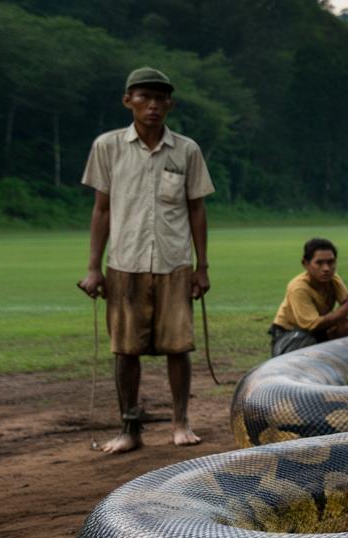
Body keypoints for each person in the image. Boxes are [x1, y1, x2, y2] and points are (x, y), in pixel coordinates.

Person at [77, 67, 215, 454]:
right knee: (125, 349)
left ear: (170, 104)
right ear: (128, 101)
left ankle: (180, 422)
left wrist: (202, 266)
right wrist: (93, 266)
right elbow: (101, 210)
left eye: (160, 98)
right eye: (144, 97)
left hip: (174, 261)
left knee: (178, 346)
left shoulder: (186, 150)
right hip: (125, 261)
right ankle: (129, 428)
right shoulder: (108, 146)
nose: (152, 105)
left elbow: (197, 210)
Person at [269, 238, 348, 357]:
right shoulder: (299, 288)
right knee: (305, 342)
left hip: (316, 331)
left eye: (331, 262)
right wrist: (344, 310)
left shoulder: (334, 279)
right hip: (289, 334)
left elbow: (346, 302)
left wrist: (343, 318)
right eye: (319, 263)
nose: (326, 268)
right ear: (305, 264)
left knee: (345, 327)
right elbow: (313, 324)